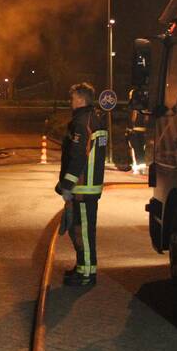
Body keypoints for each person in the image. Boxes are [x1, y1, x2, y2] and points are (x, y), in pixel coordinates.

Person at [55, 82, 107, 287]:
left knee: (82, 231)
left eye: (73, 98)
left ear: (80, 99)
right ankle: (82, 268)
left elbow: (77, 156)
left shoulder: (81, 122)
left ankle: (86, 274)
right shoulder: (96, 119)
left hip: (82, 187)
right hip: (89, 186)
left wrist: (66, 185)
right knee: (80, 229)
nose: (71, 102)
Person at [126, 88, 149, 175]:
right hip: (143, 131)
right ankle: (141, 167)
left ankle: (137, 167)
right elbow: (146, 118)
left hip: (135, 130)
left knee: (135, 149)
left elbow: (132, 118)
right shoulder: (144, 105)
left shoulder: (133, 106)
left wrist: (130, 128)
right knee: (141, 150)